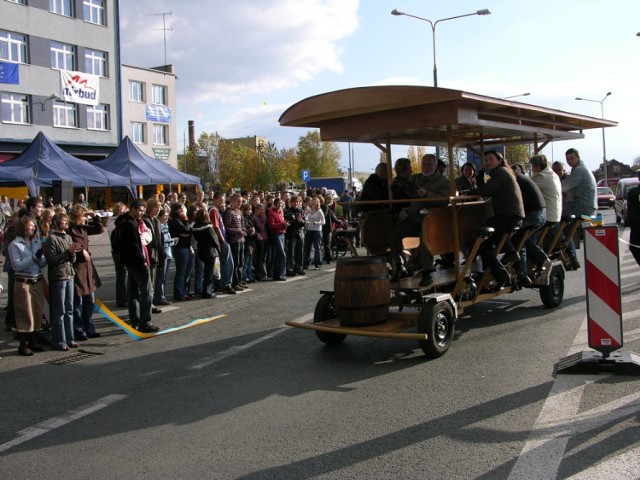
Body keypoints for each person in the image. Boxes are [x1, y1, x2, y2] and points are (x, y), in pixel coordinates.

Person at [390, 153, 449, 286]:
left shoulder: (443, 181)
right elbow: (403, 187)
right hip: (415, 217)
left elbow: (445, 200)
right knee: (394, 233)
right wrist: (393, 183)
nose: (426, 167)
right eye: (424, 164)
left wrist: (427, 194)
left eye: (429, 164)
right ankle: (399, 266)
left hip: (432, 220)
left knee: (425, 237)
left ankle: (427, 272)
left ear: (435, 165)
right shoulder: (415, 178)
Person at [469, 151, 524, 289]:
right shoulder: (500, 172)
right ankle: (507, 257)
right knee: (489, 227)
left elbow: (487, 190)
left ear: (499, 160)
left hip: (509, 216)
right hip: (508, 215)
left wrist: (468, 193)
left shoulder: (501, 173)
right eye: (486, 160)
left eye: (491, 159)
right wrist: (481, 173)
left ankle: (501, 275)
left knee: (484, 245)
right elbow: (485, 188)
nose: (488, 162)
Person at [113, 199, 158, 333]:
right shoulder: (130, 224)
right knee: (146, 292)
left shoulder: (123, 222)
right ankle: (145, 322)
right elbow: (134, 245)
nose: (141, 213)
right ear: (132, 209)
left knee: (133, 292)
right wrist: (142, 260)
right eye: (139, 210)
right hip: (137, 262)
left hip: (129, 262)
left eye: (143, 211)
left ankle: (135, 320)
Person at [44, 212, 82, 351]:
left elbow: (73, 260)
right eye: (64, 221)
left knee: (69, 309)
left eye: (67, 221)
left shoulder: (68, 237)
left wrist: (73, 253)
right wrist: (68, 253)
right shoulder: (52, 239)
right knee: (59, 310)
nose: (66, 223)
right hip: (58, 277)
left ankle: (70, 339)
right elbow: (51, 260)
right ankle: (59, 340)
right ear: (56, 222)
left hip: (69, 275)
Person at [9, 216, 47, 356]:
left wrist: (41, 257)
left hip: (37, 280)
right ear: (23, 228)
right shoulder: (15, 244)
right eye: (30, 226)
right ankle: (23, 344)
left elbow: (42, 264)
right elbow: (17, 265)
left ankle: (33, 341)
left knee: (36, 311)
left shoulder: (36, 241)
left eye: (33, 226)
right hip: (23, 282)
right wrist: (34, 258)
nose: (32, 228)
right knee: (25, 313)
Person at [68, 204, 103, 340]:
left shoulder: (83, 228)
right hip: (77, 268)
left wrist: (95, 217)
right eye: (83, 216)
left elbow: (99, 229)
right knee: (78, 302)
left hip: (87, 269)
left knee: (90, 301)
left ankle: (89, 327)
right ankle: (79, 329)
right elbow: (70, 245)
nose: (84, 218)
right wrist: (81, 249)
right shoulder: (70, 230)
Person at [560, 148, 597, 269]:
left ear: (578, 158)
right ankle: (570, 255)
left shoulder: (580, 170)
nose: (570, 161)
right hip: (583, 205)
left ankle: (568, 253)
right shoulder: (579, 169)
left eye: (572, 158)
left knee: (555, 216)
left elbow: (565, 186)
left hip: (583, 206)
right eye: (568, 159)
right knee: (564, 228)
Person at [210, 193, 236, 295]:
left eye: (223, 200)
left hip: (221, 240)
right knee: (228, 263)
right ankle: (226, 284)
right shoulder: (213, 211)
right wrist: (222, 240)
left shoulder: (217, 211)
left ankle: (221, 284)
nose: (222, 202)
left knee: (221, 264)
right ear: (215, 199)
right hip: (220, 241)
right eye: (220, 200)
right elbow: (216, 227)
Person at [191, 208, 220, 299]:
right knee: (209, 273)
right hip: (210, 251)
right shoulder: (208, 227)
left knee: (204, 272)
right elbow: (215, 240)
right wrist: (219, 249)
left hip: (201, 250)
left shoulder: (195, 227)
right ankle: (207, 291)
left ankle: (204, 290)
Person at [168, 202, 193, 301]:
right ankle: (179, 293)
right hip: (180, 247)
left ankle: (184, 291)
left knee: (187, 271)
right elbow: (185, 230)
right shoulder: (174, 219)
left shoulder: (179, 219)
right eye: (180, 209)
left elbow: (189, 231)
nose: (182, 211)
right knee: (181, 271)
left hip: (185, 246)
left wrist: (186, 231)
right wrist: (186, 221)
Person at [223, 193, 247, 291]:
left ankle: (239, 281)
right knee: (236, 263)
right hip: (234, 240)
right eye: (238, 201)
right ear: (232, 201)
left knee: (241, 262)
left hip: (241, 239)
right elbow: (227, 228)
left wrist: (246, 230)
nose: (240, 203)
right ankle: (234, 282)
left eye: (241, 202)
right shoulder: (229, 212)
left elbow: (242, 225)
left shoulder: (240, 212)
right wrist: (238, 231)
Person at [108, 202, 128, 307]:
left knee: (124, 275)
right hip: (117, 252)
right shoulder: (113, 222)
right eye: (120, 210)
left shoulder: (123, 221)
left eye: (123, 209)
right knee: (121, 276)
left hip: (124, 251)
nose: (122, 211)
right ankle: (121, 300)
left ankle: (125, 297)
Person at [153, 208, 173, 306]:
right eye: (164, 216)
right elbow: (160, 241)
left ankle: (162, 295)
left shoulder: (165, 225)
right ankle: (159, 297)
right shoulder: (158, 226)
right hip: (163, 253)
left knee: (164, 277)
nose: (166, 217)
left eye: (167, 215)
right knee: (161, 277)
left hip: (168, 252)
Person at [267, 197, 288, 281]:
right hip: (276, 235)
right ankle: (282, 274)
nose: (280, 205)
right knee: (282, 255)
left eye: (281, 203)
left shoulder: (281, 212)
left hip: (282, 233)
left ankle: (276, 274)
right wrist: (282, 225)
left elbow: (281, 223)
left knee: (278, 255)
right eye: (278, 203)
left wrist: (285, 224)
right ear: (275, 204)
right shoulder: (272, 213)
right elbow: (271, 225)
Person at [284, 195, 305, 276]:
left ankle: (299, 268)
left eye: (297, 202)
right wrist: (296, 220)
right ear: (291, 203)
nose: (296, 203)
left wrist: (301, 221)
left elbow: (304, 223)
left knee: (299, 252)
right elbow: (288, 224)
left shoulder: (301, 211)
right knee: (291, 253)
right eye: (294, 202)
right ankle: (290, 269)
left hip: (300, 234)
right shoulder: (287, 211)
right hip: (291, 234)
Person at [303, 196, 325, 270]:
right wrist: (305, 215)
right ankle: (306, 264)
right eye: (312, 201)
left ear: (318, 203)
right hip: (309, 230)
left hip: (317, 231)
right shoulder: (309, 211)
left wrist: (318, 222)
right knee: (307, 248)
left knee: (317, 248)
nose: (313, 202)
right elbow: (305, 219)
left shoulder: (319, 211)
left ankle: (317, 264)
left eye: (315, 201)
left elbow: (323, 222)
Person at [626, 171, 640, 267]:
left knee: (634, 248)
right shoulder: (634, 192)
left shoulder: (633, 192)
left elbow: (631, 213)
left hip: (637, 229)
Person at [253, 203, 269, 281]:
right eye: (261, 209)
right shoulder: (255, 218)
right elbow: (260, 228)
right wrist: (263, 219)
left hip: (265, 238)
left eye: (263, 209)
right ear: (257, 210)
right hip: (260, 239)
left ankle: (263, 273)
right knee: (260, 257)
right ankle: (260, 274)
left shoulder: (264, 218)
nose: (263, 211)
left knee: (263, 257)